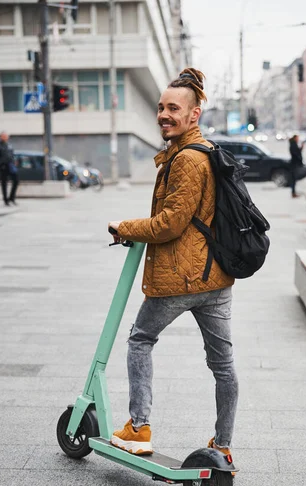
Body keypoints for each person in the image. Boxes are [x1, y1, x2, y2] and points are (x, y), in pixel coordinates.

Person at [108, 68, 238, 459]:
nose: (164, 114)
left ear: (194, 114)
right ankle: (224, 446)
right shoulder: (204, 152)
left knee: (140, 340)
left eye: (174, 109)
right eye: (161, 107)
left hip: (183, 278)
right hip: (216, 278)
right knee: (223, 364)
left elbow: (170, 224)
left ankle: (138, 427)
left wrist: (124, 227)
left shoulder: (188, 160)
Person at [0, 132, 18, 206]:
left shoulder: (9, 145)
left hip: (10, 166)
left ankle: (12, 198)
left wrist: (14, 161)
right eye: (4, 136)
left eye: (7, 136)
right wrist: (2, 163)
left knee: (16, 181)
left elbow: (12, 154)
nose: (6, 137)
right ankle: (5, 200)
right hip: (3, 166)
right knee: (4, 183)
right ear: (1, 137)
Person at [289, 134, 304, 198]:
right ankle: (293, 193)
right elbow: (296, 154)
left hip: (294, 164)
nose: (298, 139)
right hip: (294, 164)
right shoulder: (293, 145)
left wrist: (302, 147)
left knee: (294, 179)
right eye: (297, 138)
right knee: (293, 179)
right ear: (295, 138)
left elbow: (297, 152)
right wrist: (300, 160)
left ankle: (293, 192)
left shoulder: (294, 144)